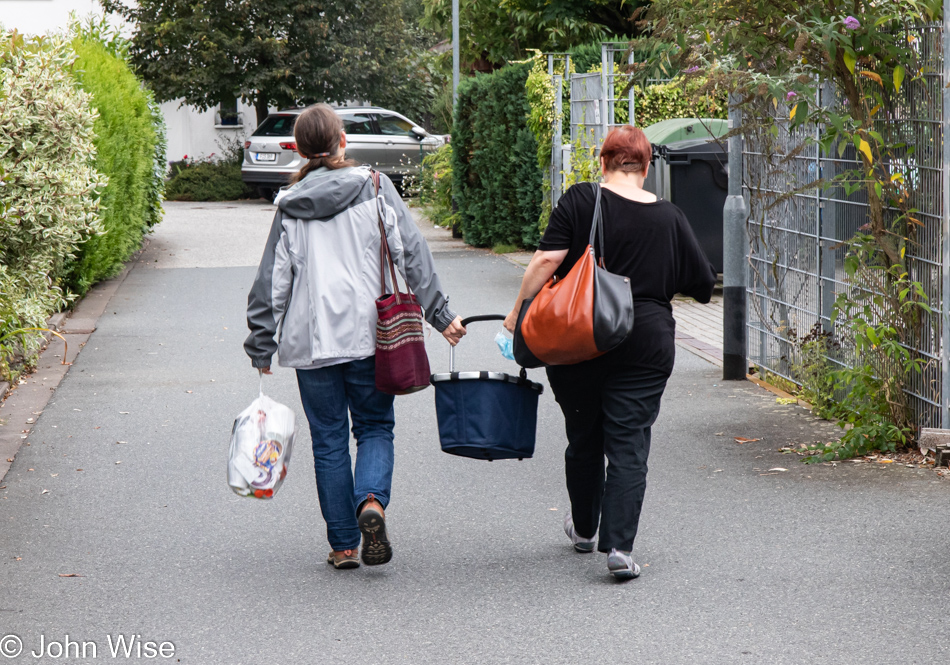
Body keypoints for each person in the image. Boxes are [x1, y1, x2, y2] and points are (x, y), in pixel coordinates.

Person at [245, 104, 466, 570]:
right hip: (373, 336)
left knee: (327, 441)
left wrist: (261, 342)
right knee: (373, 428)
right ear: (342, 140)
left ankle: (344, 545)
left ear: (299, 149)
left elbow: (272, 281)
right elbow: (413, 255)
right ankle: (371, 503)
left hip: (312, 344)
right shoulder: (376, 188)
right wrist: (440, 314)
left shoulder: (290, 206)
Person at [504, 125, 715, 581]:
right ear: (646, 167)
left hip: (577, 341)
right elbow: (701, 286)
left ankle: (584, 530)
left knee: (584, 437)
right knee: (628, 444)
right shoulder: (671, 217)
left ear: (602, 162)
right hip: (645, 343)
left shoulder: (581, 200)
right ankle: (619, 548)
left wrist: (517, 313)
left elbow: (545, 260)